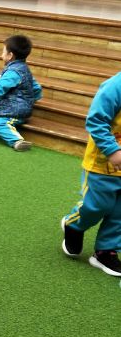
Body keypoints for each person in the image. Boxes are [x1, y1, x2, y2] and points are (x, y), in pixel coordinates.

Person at [61, 72, 121, 277]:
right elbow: (96, 120)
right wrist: (112, 151)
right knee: (97, 205)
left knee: (119, 213)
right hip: (102, 165)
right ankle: (74, 224)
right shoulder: (115, 86)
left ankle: (105, 251)